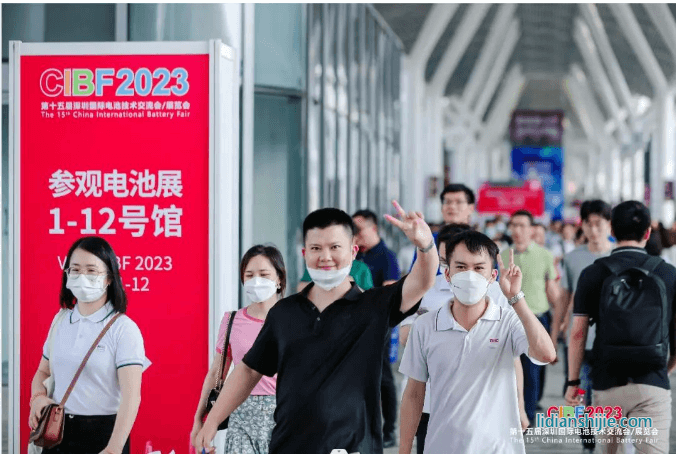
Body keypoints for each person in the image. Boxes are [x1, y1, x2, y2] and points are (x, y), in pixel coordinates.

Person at [194, 201, 438, 454]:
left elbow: (422, 281)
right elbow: (248, 371)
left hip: (353, 447)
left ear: (353, 251)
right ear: (304, 253)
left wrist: (425, 245)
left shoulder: (374, 306)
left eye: (335, 247)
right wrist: (212, 422)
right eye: (316, 248)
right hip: (289, 447)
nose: (325, 257)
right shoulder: (284, 312)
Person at [399, 231, 556, 454]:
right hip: (442, 446)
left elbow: (546, 354)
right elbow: (414, 394)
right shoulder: (425, 326)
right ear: (447, 273)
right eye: (461, 267)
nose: (470, 275)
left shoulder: (508, 320)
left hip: (498, 448)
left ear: (493, 276)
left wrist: (516, 298)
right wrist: (404, 450)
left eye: (479, 268)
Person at [567, 201, 676, 454]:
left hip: (607, 381)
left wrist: (573, 382)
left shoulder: (592, 273)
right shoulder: (669, 274)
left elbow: (578, 333)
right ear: (648, 232)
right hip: (652, 381)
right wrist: (665, 369)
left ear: (612, 230)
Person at [28, 237, 149, 454]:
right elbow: (42, 372)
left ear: (109, 278)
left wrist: (113, 448)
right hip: (57, 430)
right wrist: (37, 399)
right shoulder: (60, 321)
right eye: (75, 269)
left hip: (104, 435)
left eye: (91, 270)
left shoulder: (123, 328)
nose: (82, 276)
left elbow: (132, 397)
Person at [191, 245, 286, 454]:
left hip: (284, 416)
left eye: (264, 274)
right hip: (241, 416)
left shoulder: (293, 320)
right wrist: (200, 419)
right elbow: (216, 374)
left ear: (279, 278)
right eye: (249, 275)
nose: (256, 281)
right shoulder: (232, 320)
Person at [550, 200, 613, 453]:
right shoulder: (573, 258)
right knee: (579, 394)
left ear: (609, 224)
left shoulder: (619, 255)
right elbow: (563, 299)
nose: (594, 229)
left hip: (612, 342)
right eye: (589, 224)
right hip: (578, 340)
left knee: (610, 394)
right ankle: (587, 442)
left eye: (599, 223)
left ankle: (611, 440)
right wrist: (553, 337)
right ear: (582, 226)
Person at [502, 210, 560, 424]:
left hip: (537, 317)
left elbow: (551, 288)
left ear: (532, 229)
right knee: (513, 369)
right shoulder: (502, 255)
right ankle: (518, 412)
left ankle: (529, 413)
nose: (517, 230)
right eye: (513, 225)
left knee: (534, 369)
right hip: (510, 319)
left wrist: (561, 318)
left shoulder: (545, 255)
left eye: (522, 225)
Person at [353, 209, 401, 448]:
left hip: (379, 325)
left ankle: (389, 429)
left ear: (373, 228)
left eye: (358, 230)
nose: (355, 235)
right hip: (354, 326)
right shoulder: (356, 256)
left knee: (383, 377)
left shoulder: (386, 256)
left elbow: (389, 292)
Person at [408, 183, 475, 271]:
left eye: (458, 202)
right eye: (447, 202)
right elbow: (414, 276)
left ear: (471, 208)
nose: (452, 206)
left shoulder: (481, 243)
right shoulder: (428, 241)